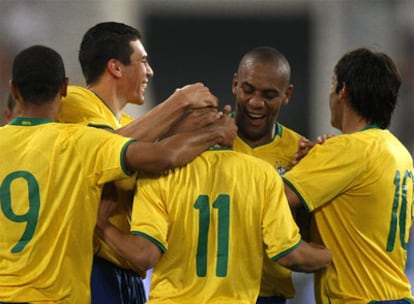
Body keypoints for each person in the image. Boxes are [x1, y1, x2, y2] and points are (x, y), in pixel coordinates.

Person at [0, 45, 234, 304]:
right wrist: (214, 133)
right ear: (65, 88)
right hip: (58, 297)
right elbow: (163, 156)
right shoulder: (81, 144)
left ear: (13, 90)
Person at [94, 120, 333, 303]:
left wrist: (101, 225)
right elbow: (289, 254)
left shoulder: (157, 176)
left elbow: (144, 255)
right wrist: (332, 256)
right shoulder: (262, 174)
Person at [283, 47, 414, 303]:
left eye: (332, 83)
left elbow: (275, 198)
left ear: (343, 91)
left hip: (358, 298)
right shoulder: (399, 153)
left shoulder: (347, 150)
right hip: (395, 295)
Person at [231, 46, 308, 303]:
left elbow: (309, 233)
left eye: (269, 95)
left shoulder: (301, 153)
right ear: (235, 84)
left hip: (270, 296)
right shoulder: (204, 141)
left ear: (287, 95)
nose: (255, 102)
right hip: (212, 293)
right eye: (248, 90)